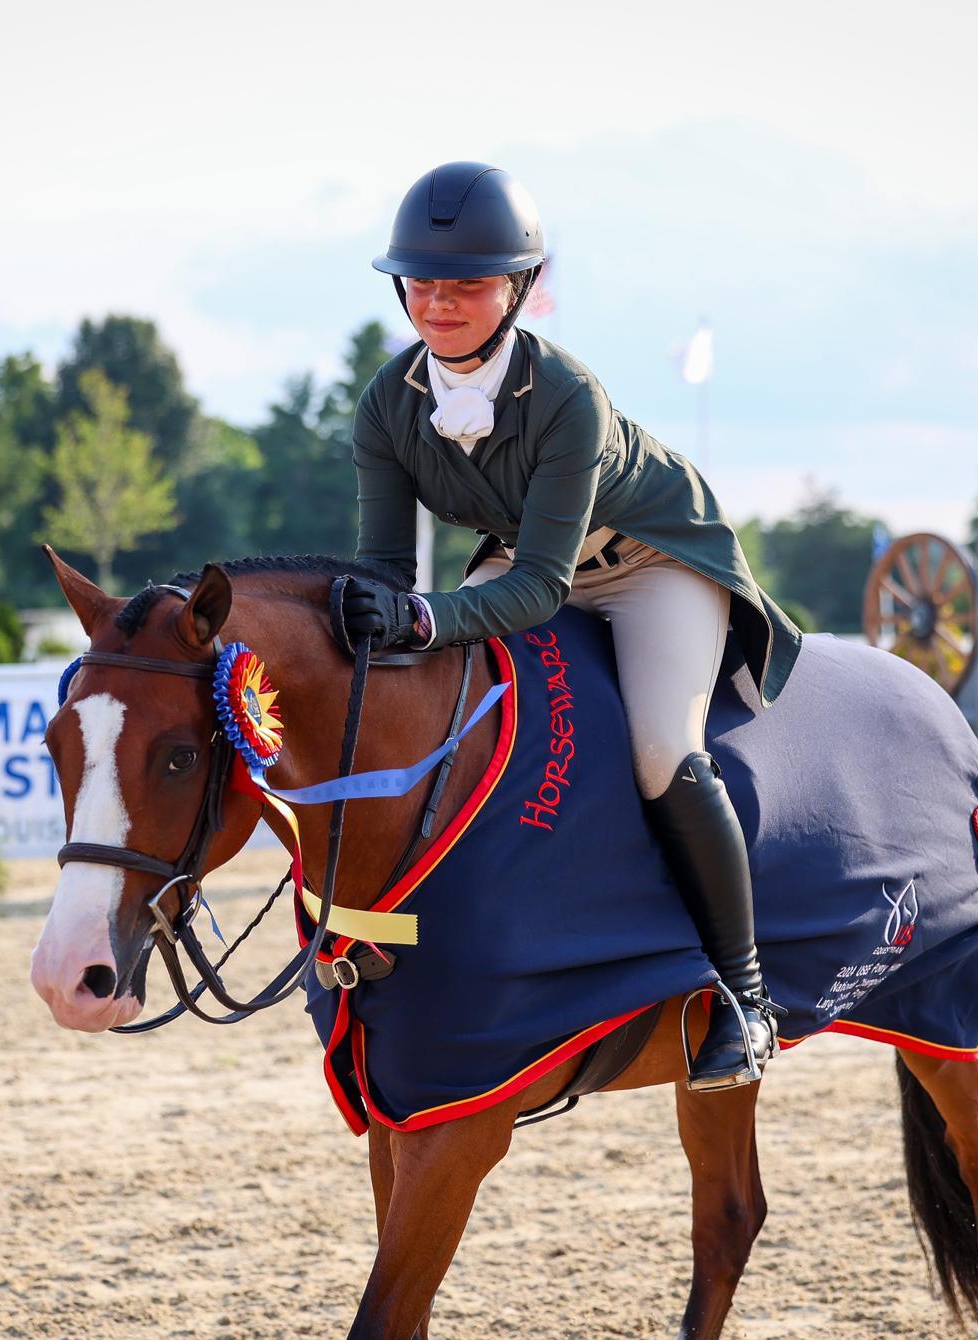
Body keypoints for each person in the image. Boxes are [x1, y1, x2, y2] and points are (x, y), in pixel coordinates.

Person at [341, 162, 804, 1090]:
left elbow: (543, 589)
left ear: (517, 289)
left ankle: (747, 1001)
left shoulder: (567, 396)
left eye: (467, 283)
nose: (440, 303)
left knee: (658, 752)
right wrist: (368, 615)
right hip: (530, 557)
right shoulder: (388, 405)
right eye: (423, 283)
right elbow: (391, 572)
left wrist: (422, 616)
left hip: (650, 562)